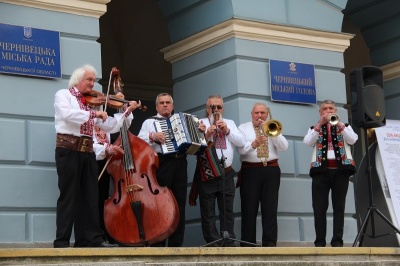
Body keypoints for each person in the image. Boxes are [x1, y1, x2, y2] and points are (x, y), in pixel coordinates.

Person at [53, 64, 137, 248]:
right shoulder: (63, 95)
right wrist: (93, 114)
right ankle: (62, 241)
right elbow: (67, 115)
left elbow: (111, 127)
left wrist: (125, 112)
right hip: (68, 150)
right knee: (69, 195)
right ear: (78, 80)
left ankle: (91, 239)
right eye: (89, 79)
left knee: (90, 197)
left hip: (87, 152)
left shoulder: (89, 103)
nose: (93, 83)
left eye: (94, 80)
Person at [138, 93, 206, 247]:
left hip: (181, 163)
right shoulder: (150, 122)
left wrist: (201, 131)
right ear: (157, 107)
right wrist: (152, 135)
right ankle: (158, 242)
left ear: (172, 106)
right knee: (160, 203)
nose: (165, 105)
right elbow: (138, 140)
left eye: (168, 102)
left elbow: (197, 144)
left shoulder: (184, 120)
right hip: (162, 163)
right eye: (161, 103)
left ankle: (176, 242)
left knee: (179, 203)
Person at [189, 95, 243, 247]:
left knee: (227, 209)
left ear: (223, 108)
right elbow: (194, 148)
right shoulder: (199, 123)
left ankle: (228, 241)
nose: (216, 109)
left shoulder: (230, 122)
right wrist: (206, 135)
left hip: (226, 171)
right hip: (208, 172)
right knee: (208, 211)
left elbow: (241, 141)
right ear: (207, 109)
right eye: (213, 107)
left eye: (219, 107)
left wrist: (227, 130)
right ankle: (212, 242)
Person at [303, 100, 358, 247]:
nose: (328, 111)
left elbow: (353, 140)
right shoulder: (314, 128)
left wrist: (339, 124)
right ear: (320, 112)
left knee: (339, 206)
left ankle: (337, 241)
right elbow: (308, 142)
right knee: (319, 207)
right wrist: (319, 125)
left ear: (336, 111)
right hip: (320, 171)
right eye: (324, 109)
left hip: (341, 171)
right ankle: (320, 242)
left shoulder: (345, 126)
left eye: (331, 108)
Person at [236, 103, 288, 247]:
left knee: (270, 208)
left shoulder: (272, 126)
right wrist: (254, 143)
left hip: (271, 170)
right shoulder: (243, 128)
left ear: (267, 114)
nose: (259, 116)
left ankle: (270, 243)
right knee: (248, 208)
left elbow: (284, 147)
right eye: (256, 113)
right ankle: (247, 244)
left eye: (262, 113)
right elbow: (241, 150)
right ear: (251, 114)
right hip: (250, 171)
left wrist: (272, 133)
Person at [93, 98, 140, 244]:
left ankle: (104, 234)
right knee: (91, 200)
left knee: (102, 199)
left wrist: (125, 108)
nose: (97, 104)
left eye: (99, 102)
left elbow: (120, 125)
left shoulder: (103, 119)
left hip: (105, 161)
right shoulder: (86, 117)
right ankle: (93, 236)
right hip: (92, 159)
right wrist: (106, 149)